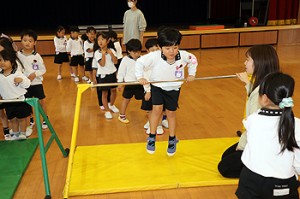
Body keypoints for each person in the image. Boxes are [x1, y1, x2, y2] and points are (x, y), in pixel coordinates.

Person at [218, 45, 280, 178]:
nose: (244, 63)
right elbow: (254, 96)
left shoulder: (261, 93)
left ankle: (260, 168)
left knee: (224, 167)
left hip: (262, 143)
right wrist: (247, 83)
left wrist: (241, 146)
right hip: (265, 140)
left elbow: (254, 127)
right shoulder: (267, 83)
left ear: (258, 63)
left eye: (248, 60)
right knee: (226, 156)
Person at [236, 72, 300, 199]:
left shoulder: (252, 120)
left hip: (251, 181)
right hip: (282, 183)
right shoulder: (296, 124)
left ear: (264, 98)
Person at [135, 27, 198, 156]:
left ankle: (172, 139)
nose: (172, 52)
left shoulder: (183, 55)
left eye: (175, 48)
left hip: (174, 88)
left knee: (171, 113)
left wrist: (192, 74)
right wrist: (140, 77)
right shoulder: (154, 56)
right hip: (158, 86)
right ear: (160, 47)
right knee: (156, 110)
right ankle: (152, 137)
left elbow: (193, 60)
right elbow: (139, 63)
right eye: (168, 48)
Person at [17, 29, 49, 131]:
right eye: (25, 40)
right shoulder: (17, 55)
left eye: (30, 41)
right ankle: (31, 119)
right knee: (27, 102)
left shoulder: (37, 56)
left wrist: (34, 74)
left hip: (36, 83)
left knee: (41, 101)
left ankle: (45, 119)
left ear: (35, 42)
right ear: (21, 41)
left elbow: (43, 69)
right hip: (24, 84)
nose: (27, 43)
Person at [0, 49, 31, 140]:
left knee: (21, 119)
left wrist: (21, 80)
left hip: (19, 99)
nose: (2, 63)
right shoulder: (0, 75)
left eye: (5, 60)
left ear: (12, 62)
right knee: (12, 119)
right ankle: (15, 133)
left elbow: (27, 83)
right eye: (0, 60)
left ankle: (23, 133)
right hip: (8, 101)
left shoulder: (17, 74)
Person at [142, 38, 168, 134]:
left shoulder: (164, 59)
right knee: (150, 109)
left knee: (159, 108)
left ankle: (159, 125)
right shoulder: (145, 62)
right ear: (147, 51)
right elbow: (145, 78)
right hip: (149, 88)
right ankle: (152, 123)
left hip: (161, 88)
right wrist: (148, 90)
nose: (155, 52)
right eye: (152, 51)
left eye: (157, 50)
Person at [92, 31, 119, 119]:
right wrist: (103, 54)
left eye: (102, 39)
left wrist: (110, 53)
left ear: (107, 41)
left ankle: (111, 105)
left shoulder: (112, 50)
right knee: (104, 93)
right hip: (103, 75)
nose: (100, 41)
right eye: (99, 39)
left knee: (114, 91)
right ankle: (107, 111)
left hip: (112, 74)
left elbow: (116, 62)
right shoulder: (97, 53)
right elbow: (102, 64)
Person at [117, 38, 144, 124]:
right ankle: (122, 115)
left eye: (139, 52)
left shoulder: (142, 58)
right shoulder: (125, 60)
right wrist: (120, 83)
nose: (137, 54)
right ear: (129, 51)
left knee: (145, 98)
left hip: (140, 83)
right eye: (135, 52)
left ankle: (149, 110)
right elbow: (121, 72)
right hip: (129, 84)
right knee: (126, 99)